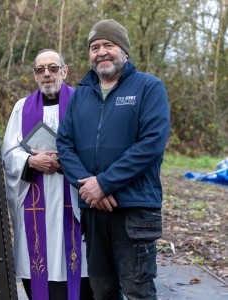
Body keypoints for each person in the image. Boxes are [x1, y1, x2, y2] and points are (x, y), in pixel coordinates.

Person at [56, 19, 170, 300]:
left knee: (137, 290)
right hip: (94, 209)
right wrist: (90, 187)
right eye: (95, 47)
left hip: (134, 208)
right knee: (102, 290)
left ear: (125, 51)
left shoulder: (148, 88)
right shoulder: (81, 94)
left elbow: (151, 144)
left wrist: (104, 183)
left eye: (109, 45)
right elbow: (65, 144)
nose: (101, 52)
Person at [2, 49, 93, 300]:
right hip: (36, 198)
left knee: (78, 264)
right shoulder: (22, 108)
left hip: (73, 199)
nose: (47, 74)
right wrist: (31, 160)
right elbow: (8, 153)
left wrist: (68, 161)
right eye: (40, 70)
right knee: (39, 262)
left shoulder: (83, 102)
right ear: (34, 75)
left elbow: (97, 148)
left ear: (64, 71)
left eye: (53, 68)